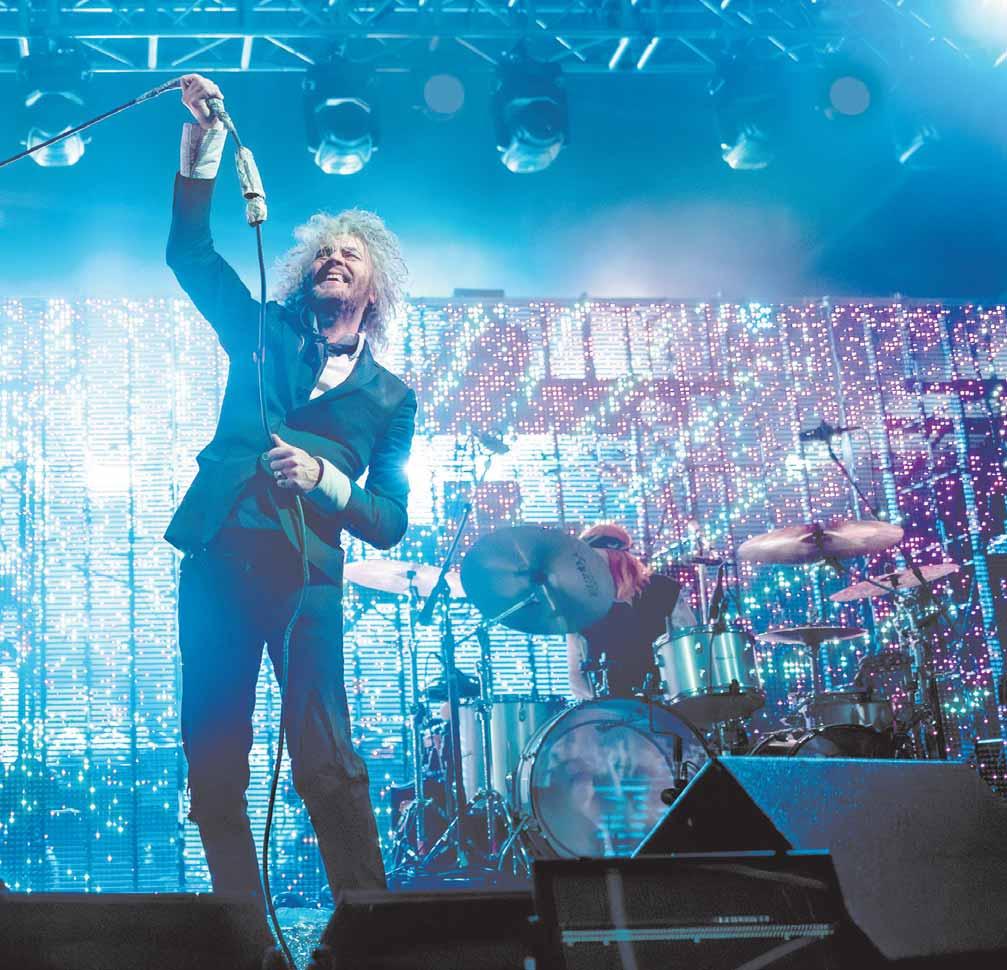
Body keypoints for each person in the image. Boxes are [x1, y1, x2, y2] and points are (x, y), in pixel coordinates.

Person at [165, 74, 416, 964]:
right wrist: (200, 148)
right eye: (322, 254)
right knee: (214, 757)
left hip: (310, 575)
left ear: (374, 289)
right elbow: (191, 254)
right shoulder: (263, 332)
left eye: (350, 256)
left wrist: (325, 480)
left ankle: (371, 938)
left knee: (324, 758)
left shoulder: (389, 398)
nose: (332, 260)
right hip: (220, 561)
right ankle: (245, 940)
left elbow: (389, 518)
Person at [567, 523, 693, 700]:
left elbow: (689, 648)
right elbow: (576, 675)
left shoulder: (664, 590)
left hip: (662, 705)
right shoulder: (580, 606)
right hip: (612, 708)